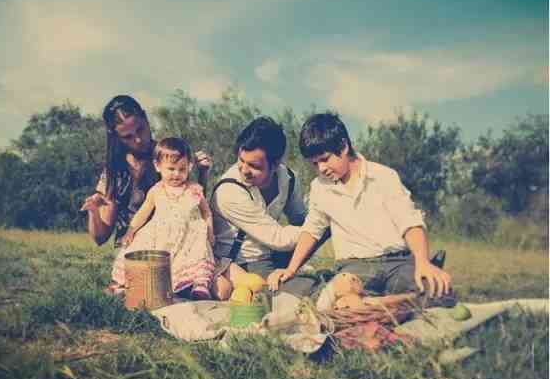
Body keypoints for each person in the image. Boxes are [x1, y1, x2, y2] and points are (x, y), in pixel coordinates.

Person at [267, 113, 453, 304]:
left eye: (325, 159)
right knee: (329, 300)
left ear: (343, 146)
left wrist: (422, 262)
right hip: (356, 269)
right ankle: (390, 303)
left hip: (397, 262)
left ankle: (386, 301)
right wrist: (290, 269)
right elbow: (312, 231)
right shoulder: (319, 187)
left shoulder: (383, 176)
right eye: (315, 164)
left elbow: (410, 222)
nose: (321, 168)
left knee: (438, 292)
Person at [80, 95, 212, 293]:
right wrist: (93, 211)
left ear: (146, 120)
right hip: (141, 245)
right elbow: (100, 237)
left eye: (140, 129)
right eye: (127, 137)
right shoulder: (114, 171)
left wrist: (203, 172)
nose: (138, 139)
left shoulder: (168, 155)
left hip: (180, 241)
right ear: (116, 137)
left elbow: (192, 200)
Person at [211, 116, 321, 299]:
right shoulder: (229, 191)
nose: (244, 170)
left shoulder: (288, 178)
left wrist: (322, 223)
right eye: (241, 160)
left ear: (275, 164)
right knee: (303, 292)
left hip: (276, 253)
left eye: (254, 166)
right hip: (245, 262)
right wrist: (317, 229)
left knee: (321, 232)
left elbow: (300, 218)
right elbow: (278, 238)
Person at [113, 137, 216, 300]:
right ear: (158, 166)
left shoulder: (194, 189)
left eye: (182, 169)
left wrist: (210, 232)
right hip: (161, 234)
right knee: (136, 248)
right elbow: (144, 212)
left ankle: (200, 285)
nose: (176, 174)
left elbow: (206, 212)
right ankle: (125, 283)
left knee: (198, 254)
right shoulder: (157, 190)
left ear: (189, 167)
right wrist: (131, 230)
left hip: (189, 236)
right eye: (171, 168)